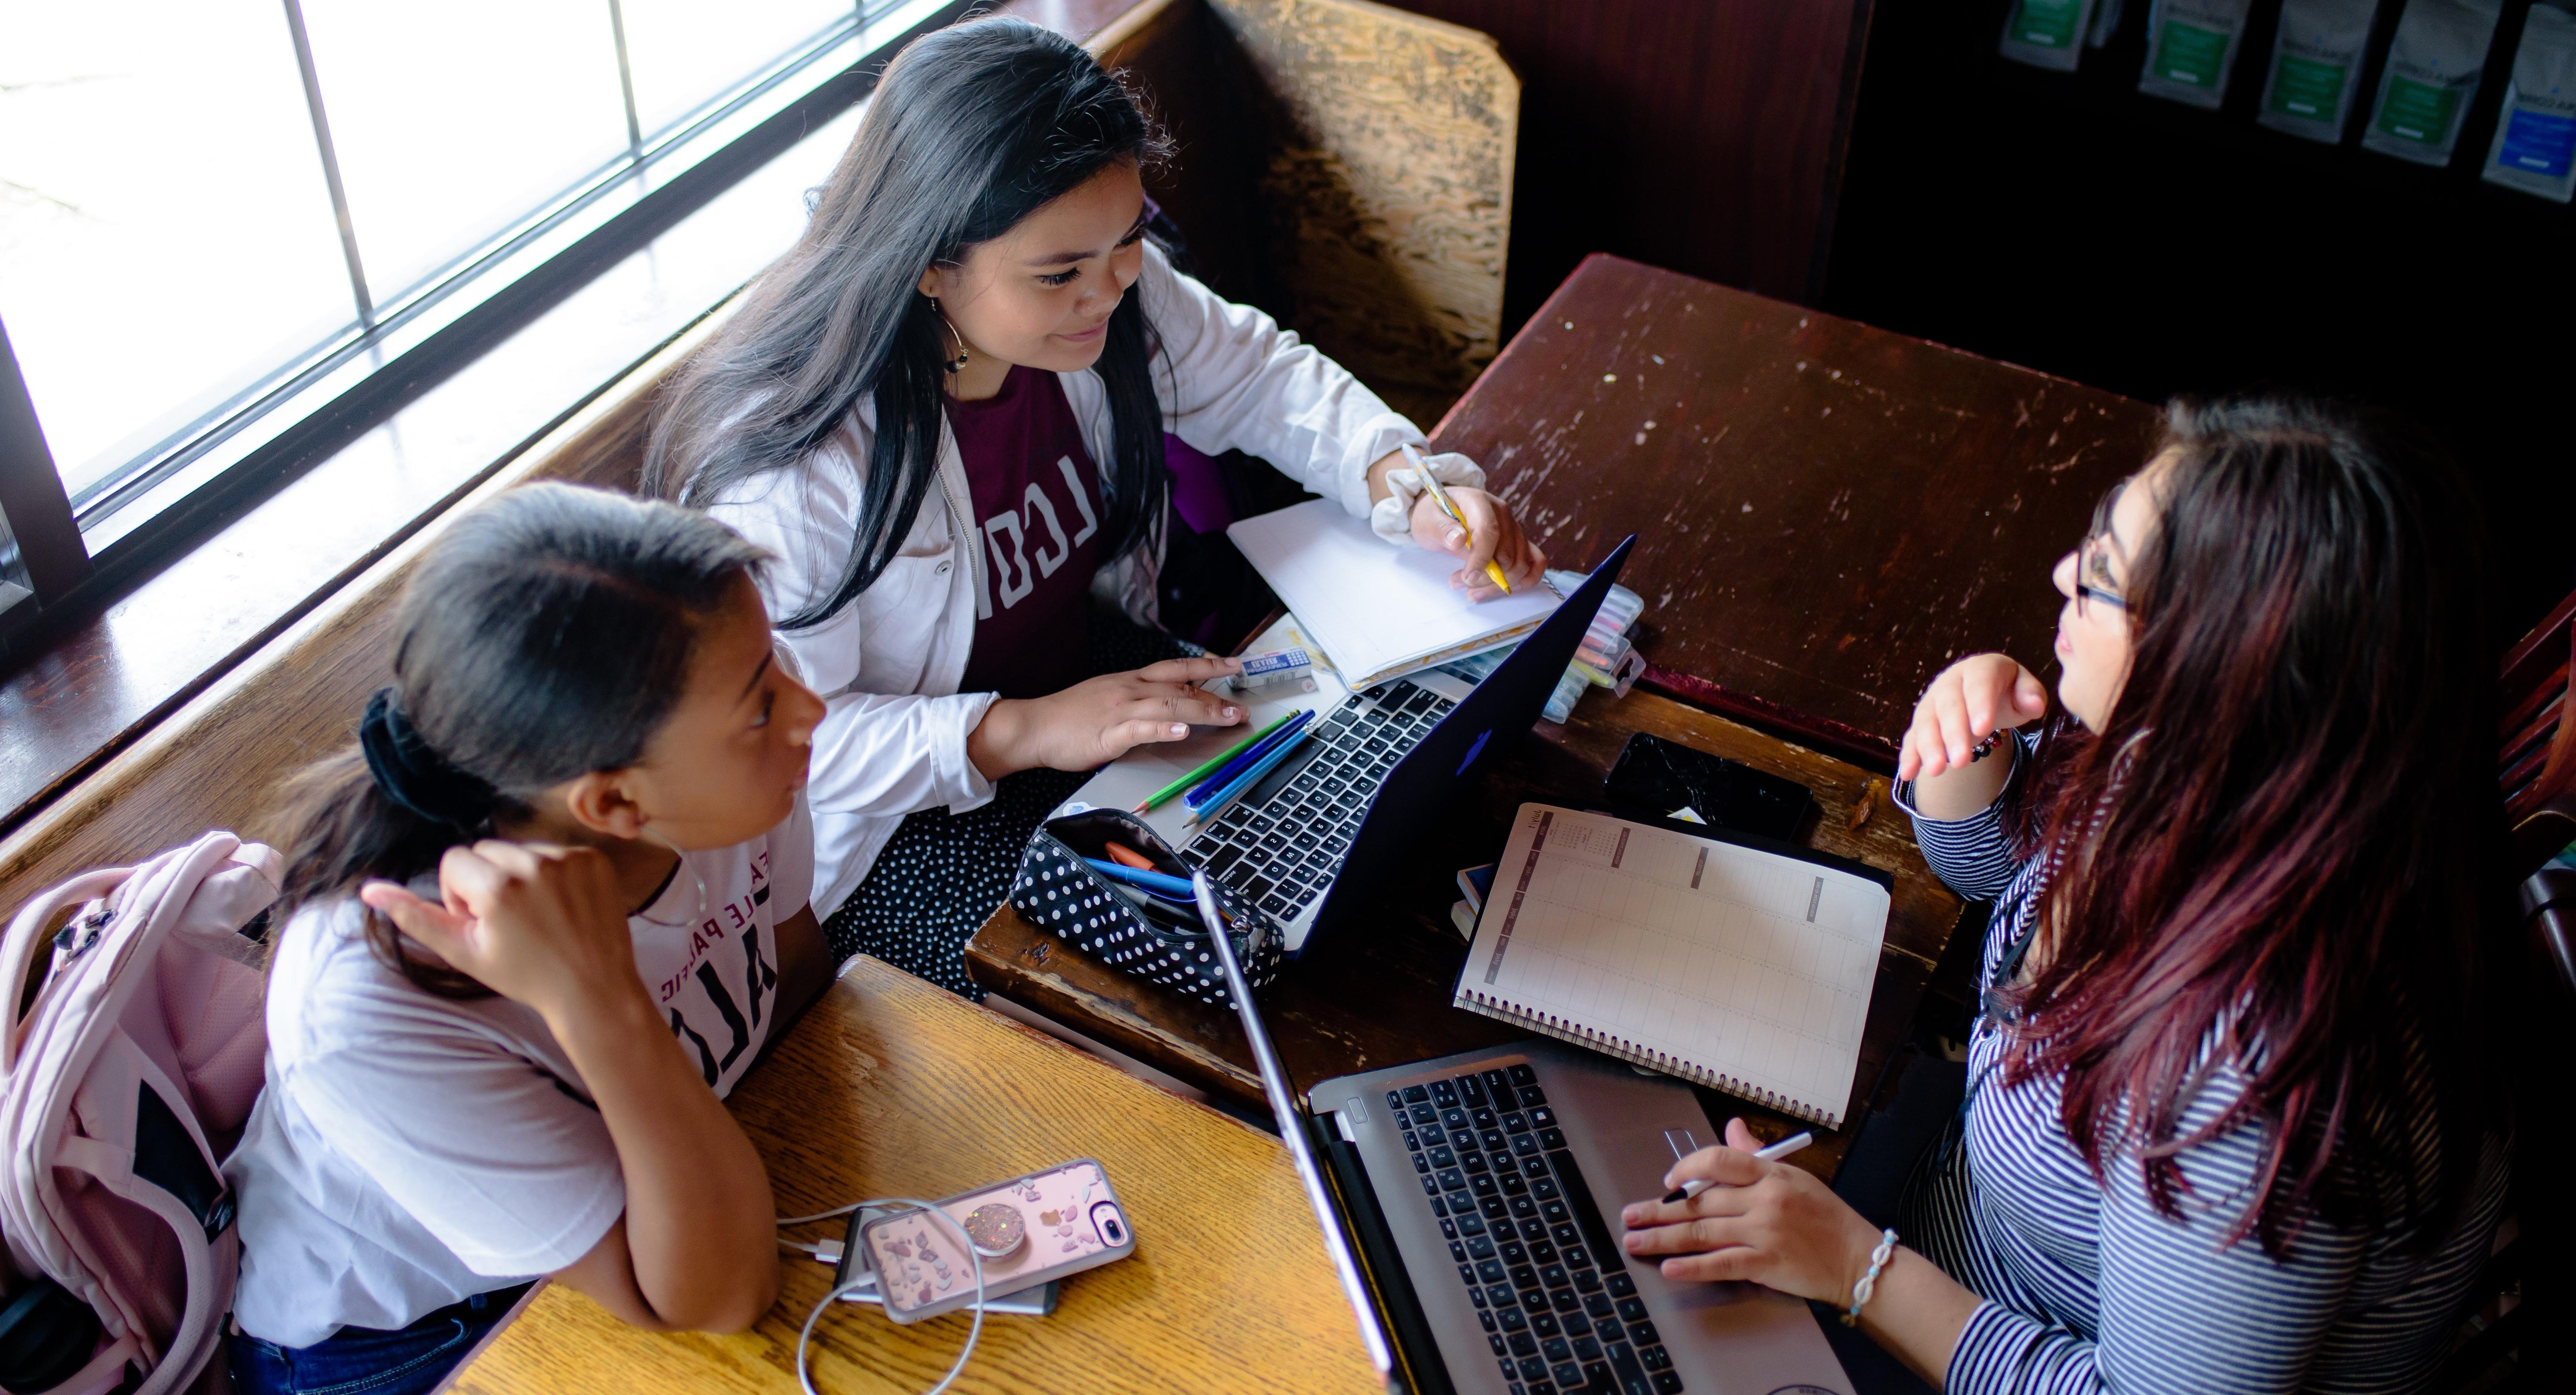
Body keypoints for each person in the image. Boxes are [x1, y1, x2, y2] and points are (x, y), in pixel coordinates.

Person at [1617, 397, 2513, 1393]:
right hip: (1942, 1225)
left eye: (2100, 580)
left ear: (2220, 672)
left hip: (1965, 1327)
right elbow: (1998, 883)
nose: (2059, 580)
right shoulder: (2209, 784)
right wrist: (1971, 747)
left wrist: (1849, 1264)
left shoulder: (2253, 1085)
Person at [645, 15, 1547, 996]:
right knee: (1180, 990)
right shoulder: (799, 469)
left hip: (1093, 696)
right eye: (1060, 272)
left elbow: (1257, 377)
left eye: (1125, 242)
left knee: (1356, 834)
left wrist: (1405, 481)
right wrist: (1025, 730)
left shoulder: (1106, 291)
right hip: (909, 827)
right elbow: (800, 747)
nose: (1111, 288)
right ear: (927, 262)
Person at [223, 483, 830, 1395]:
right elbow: (717, 1293)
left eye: (774, 664)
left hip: (686, 1197)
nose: (808, 708)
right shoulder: (368, 998)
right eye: (760, 705)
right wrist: (602, 1003)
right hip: (427, 1330)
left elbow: (800, 985)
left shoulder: (723, 778)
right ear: (613, 804)